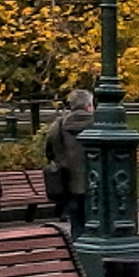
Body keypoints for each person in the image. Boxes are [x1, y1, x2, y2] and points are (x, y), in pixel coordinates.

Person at [46, 89, 94, 237]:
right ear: (88, 106)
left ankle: (77, 254)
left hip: (69, 182)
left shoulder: (59, 125)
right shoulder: (97, 123)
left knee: (76, 224)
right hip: (94, 183)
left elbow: (49, 150)